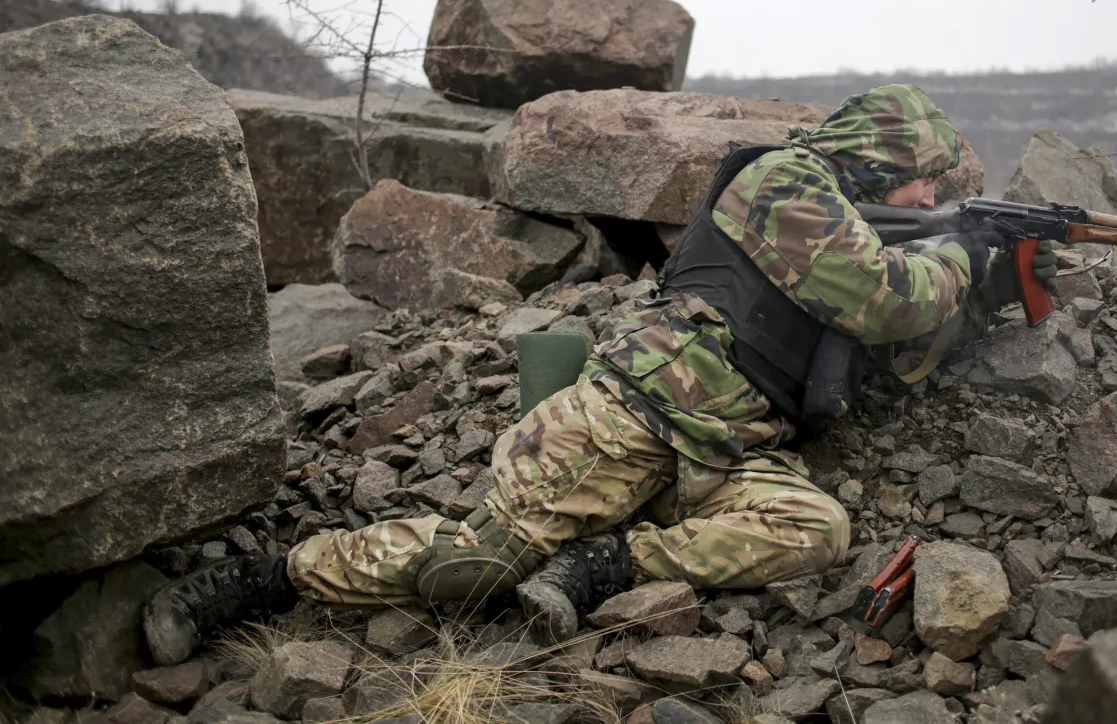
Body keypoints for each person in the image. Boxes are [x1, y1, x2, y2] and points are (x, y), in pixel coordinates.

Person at [142, 84, 1058, 664]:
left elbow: (895, 347)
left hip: (727, 451)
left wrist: (996, 280)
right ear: (883, 160)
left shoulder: (858, 219)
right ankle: (268, 580)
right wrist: (962, 259)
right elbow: (883, 298)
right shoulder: (781, 181)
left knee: (813, 526)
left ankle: (608, 563)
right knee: (476, 567)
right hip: (633, 418)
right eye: (926, 188)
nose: (932, 205)